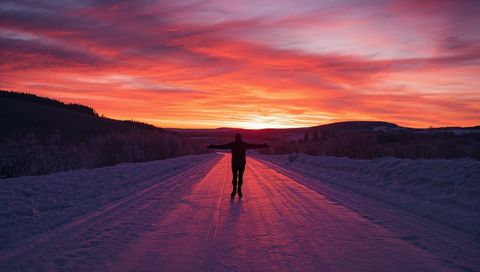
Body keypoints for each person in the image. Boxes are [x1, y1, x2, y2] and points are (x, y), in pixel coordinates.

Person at [208, 134, 268, 198]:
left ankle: (234, 190)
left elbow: (223, 146)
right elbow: (254, 146)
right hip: (242, 163)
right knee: (240, 177)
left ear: (235, 138)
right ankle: (239, 190)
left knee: (234, 176)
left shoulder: (233, 144)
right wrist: (263, 145)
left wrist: (212, 146)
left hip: (234, 163)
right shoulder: (244, 144)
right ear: (241, 138)